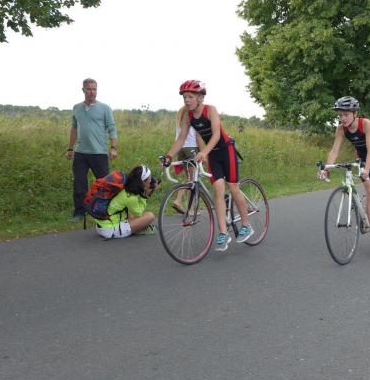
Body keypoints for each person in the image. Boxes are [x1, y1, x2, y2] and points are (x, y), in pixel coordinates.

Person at [162, 80, 253, 252]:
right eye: (184, 97)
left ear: (200, 97)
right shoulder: (188, 116)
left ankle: (246, 225)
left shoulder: (210, 110)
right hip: (213, 154)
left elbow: (217, 134)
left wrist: (203, 152)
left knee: (233, 187)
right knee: (218, 189)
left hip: (226, 150)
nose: (186, 100)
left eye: (190, 97)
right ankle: (223, 233)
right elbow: (181, 139)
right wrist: (168, 156)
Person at [319, 96, 370, 250]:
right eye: (340, 115)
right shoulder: (341, 129)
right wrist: (326, 169)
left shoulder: (365, 123)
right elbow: (334, 151)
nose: (342, 118)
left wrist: (367, 170)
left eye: (346, 114)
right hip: (362, 157)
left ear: (355, 113)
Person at [67, 78, 117, 222]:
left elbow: (112, 128)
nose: (92, 92)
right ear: (83, 90)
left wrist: (113, 148)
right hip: (80, 153)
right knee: (79, 184)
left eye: (94, 89)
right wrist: (70, 148)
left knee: (104, 185)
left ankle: (105, 211)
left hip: (99, 153)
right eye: (89, 89)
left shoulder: (105, 108)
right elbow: (74, 128)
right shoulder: (77, 108)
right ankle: (79, 212)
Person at [94, 165, 157, 239]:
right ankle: (137, 229)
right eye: (149, 181)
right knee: (150, 216)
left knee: (131, 210)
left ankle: (134, 227)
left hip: (102, 225)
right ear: (142, 182)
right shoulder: (130, 197)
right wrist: (145, 196)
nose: (150, 183)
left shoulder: (125, 185)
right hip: (111, 230)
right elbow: (139, 213)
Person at [171, 108, 198, 212]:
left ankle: (179, 200)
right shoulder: (191, 114)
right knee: (193, 179)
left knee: (189, 178)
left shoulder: (180, 114)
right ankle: (190, 209)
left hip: (181, 148)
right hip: (191, 147)